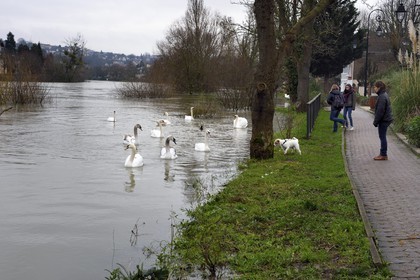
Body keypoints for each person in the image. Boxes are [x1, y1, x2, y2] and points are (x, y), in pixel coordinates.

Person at [372, 80, 393, 160]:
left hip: (384, 120)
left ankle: (383, 154)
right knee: (382, 136)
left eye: (375, 87)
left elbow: (380, 111)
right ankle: (383, 154)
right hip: (386, 119)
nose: (374, 88)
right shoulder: (384, 94)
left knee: (382, 137)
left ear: (379, 87)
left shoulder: (382, 96)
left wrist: (375, 121)